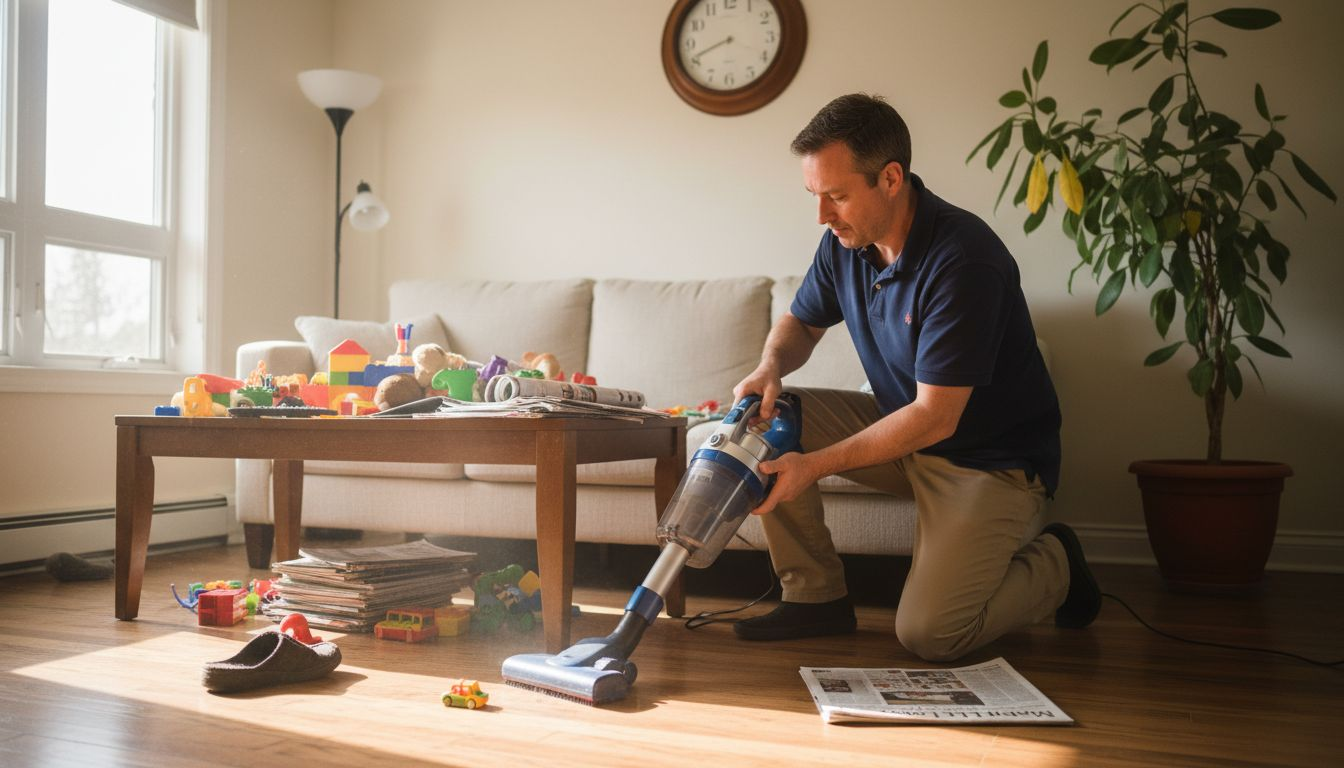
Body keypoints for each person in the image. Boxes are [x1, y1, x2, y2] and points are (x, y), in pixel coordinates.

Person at [731, 93, 1101, 661]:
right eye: (815, 196)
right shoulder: (844, 243)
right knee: (769, 419)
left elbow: (936, 415)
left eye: (836, 196)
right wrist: (769, 367)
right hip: (905, 437)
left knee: (931, 635)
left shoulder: (964, 259)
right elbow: (801, 325)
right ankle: (816, 598)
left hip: (987, 462)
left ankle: (1057, 566)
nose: (823, 217)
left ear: (891, 178)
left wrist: (814, 466)